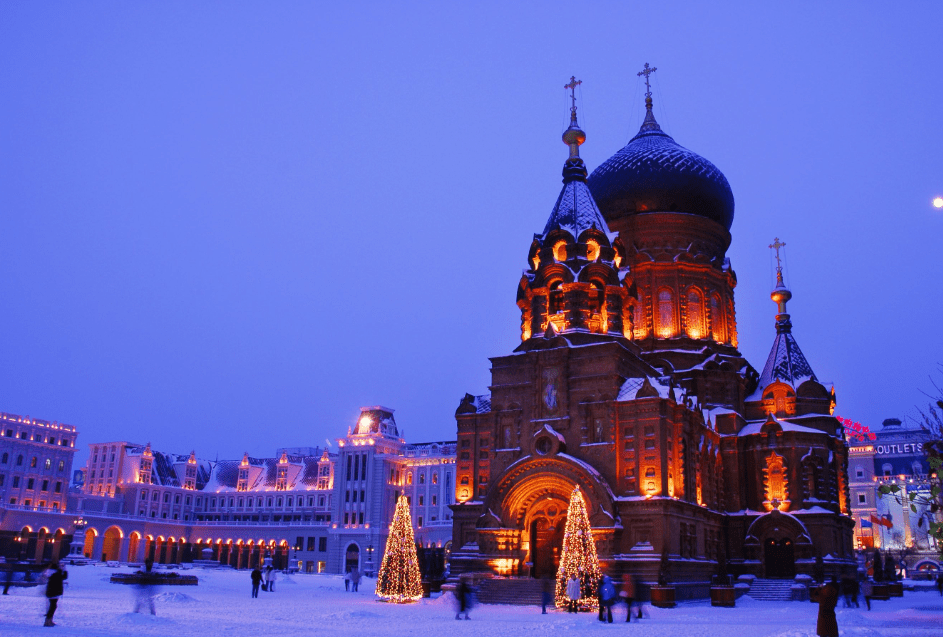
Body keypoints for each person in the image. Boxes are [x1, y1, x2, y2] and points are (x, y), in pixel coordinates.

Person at [43, 562, 68, 627]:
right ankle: (48, 621)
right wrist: (64, 569)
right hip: (54, 592)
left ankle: (49, 620)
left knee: (52, 606)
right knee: (53, 607)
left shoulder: (51, 573)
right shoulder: (56, 573)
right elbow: (64, 577)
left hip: (51, 591)